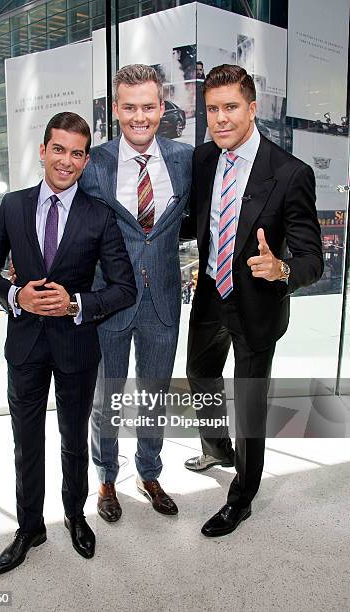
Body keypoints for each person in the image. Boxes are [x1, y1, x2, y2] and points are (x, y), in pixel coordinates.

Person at [0, 112, 136, 574]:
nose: (67, 161)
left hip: (76, 347)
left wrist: (75, 304)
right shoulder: (13, 206)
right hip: (24, 346)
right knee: (25, 443)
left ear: (85, 161)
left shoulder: (99, 216)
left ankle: (74, 515)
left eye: (77, 153)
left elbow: (125, 288)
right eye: (59, 149)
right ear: (43, 150)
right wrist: (14, 295)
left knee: (72, 442)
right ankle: (29, 528)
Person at [182, 64, 323, 536]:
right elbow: (195, 222)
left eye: (231, 107)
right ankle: (218, 449)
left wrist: (281, 269)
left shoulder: (289, 173)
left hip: (258, 304)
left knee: (249, 402)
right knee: (200, 375)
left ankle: (242, 495)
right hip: (209, 294)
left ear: (253, 108)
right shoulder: (203, 160)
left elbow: (311, 258)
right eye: (212, 110)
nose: (220, 119)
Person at [80, 64, 193, 522]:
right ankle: (106, 478)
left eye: (148, 107)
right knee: (106, 398)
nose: (140, 117)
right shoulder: (96, 163)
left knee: (153, 394)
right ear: (116, 109)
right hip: (109, 302)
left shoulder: (185, 160)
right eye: (130, 107)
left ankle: (149, 473)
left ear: (161, 107)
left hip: (164, 300)